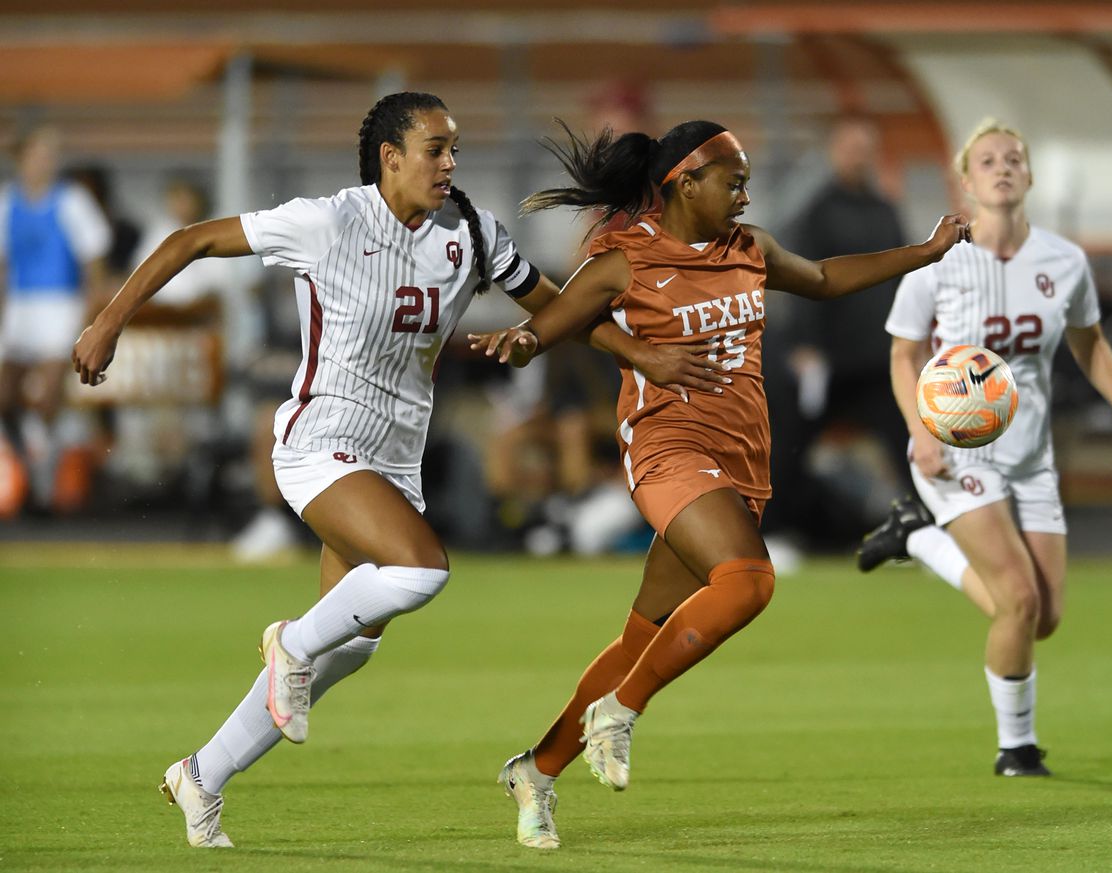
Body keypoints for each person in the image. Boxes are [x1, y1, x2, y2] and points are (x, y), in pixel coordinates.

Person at [71, 91, 721, 849]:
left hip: (390, 465)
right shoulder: (328, 221)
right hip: (320, 444)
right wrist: (108, 320)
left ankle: (201, 775)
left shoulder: (472, 233)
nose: (451, 163)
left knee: (348, 648)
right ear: (390, 158)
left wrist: (639, 352)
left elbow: (552, 304)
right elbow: (191, 241)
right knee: (420, 571)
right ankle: (288, 640)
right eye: (436, 149)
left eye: (455, 150)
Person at [468, 119, 969, 849]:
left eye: (744, 180)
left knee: (640, 635)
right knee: (749, 581)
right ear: (683, 183)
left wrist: (922, 252)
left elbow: (826, 278)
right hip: (667, 448)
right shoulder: (624, 260)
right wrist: (521, 343)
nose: (744, 192)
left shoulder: (750, 248)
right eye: (731, 179)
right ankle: (621, 711)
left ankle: (536, 771)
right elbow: (554, 322)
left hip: (741, 459)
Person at [855, 118, 1112, 777]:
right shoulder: (936, 261)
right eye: (987, 160)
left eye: (1013, 158)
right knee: (1016, 600)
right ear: (966, 181)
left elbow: (1090, 342)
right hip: (956, 453)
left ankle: (917, 538)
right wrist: (921, 431)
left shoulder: (1063, 260)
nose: (1002, 167)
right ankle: (1015, 747)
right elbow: (904, 355)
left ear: (1029, 175)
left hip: (1031, 455)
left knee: (1041, 616)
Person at [766, 115, 909, 546]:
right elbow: (802, 279)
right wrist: (806, 347)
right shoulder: (817, 214)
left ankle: (935, 534)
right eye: (850, 147)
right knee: (786, 446)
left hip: (879, 358)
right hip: (828, 362)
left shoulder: (886, 211)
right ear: (834, 152)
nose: (858, 156)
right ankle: (771, 534)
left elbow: (906, 277)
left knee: (913, 444)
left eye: (865, 147)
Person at [1, 125, 111, 515]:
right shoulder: (7, 202)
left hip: (60, 303)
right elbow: (4, 263)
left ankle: (44, 470)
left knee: (49, 390)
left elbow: (92, 259)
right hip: (20, 305)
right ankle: (33, 455)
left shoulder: (72, 201)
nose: (45, 162)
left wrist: (92, 315)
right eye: (39, 153)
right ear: (23, 158)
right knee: (5, 395)